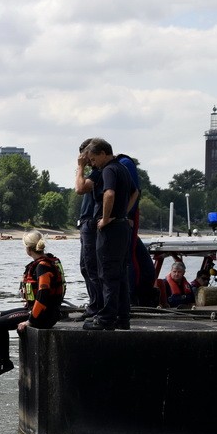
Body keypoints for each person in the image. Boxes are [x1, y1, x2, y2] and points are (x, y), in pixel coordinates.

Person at [0, 230, 65, 380]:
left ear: (28, 249)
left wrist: (30, 321)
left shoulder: (42, 266)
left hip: (45, 316)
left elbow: (43, 296)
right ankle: (4, 362)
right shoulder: (44, 262)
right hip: (43, 311)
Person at [83, 138, 134, 331]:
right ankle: (122, 317)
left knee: (107, 275)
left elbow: (109, 194)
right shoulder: (123, 168)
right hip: (122, 227)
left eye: (94, 159)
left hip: (110, 230)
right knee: (120, 274)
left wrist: (105, 218)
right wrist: (121, 214)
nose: (93, 164)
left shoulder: (109, 170)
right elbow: (133, 192)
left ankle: (106, 318)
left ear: (103, 153)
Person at [74, 139, 101, 317]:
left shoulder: (98, 173)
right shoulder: (97, 172)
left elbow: (79, 188)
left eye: (86, 155)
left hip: (90, 224)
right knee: (86, 267)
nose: (85, 158)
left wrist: (80, 167)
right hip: (87, 223)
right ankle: (95, 304)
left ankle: (96, 307)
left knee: (91, 267)